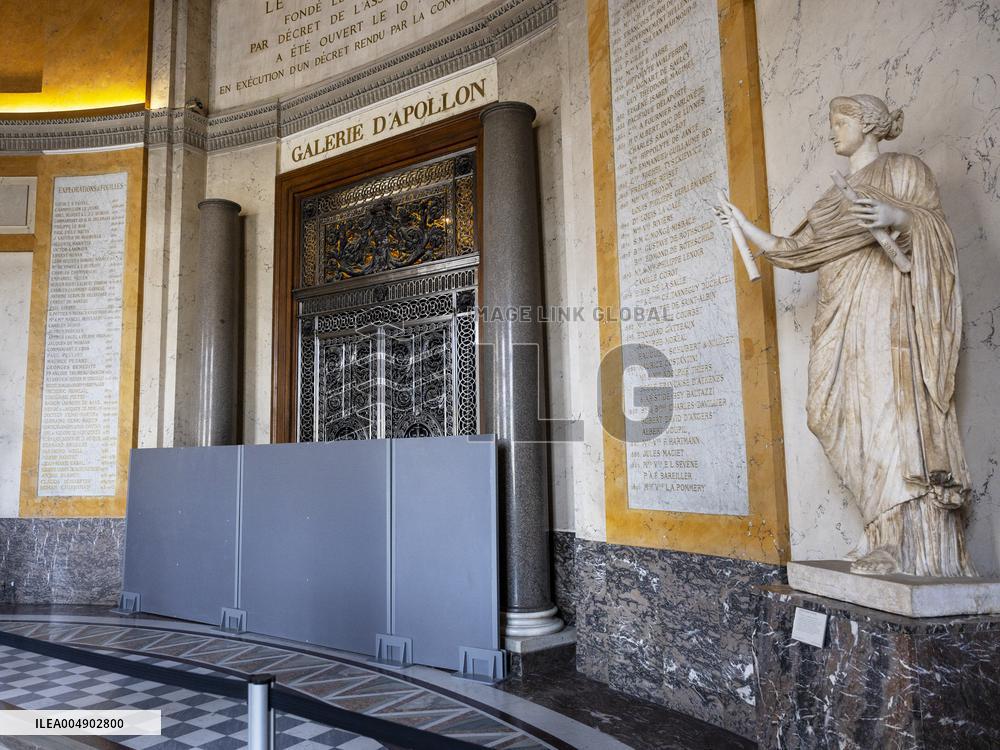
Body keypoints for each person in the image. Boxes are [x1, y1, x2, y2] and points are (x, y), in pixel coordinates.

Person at [716, 94, 974, 577]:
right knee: (827, 412)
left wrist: (899, 217)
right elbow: (793, 250)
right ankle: (879, 524)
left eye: (840, 122)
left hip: (885, 308)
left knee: (886, 412)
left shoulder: (904, 171)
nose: (833, 131)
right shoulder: (830, 201)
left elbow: (935, 230)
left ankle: (897, 537)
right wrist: (743, 226)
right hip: (837, 312)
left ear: (869, 125)